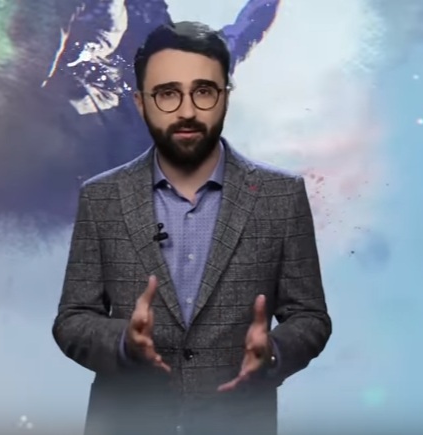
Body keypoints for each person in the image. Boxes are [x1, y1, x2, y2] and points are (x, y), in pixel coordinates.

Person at [52, 21, 332, 435]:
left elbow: (310, 317)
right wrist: (124, 342)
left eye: (203, 91)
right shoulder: (102, 197)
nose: (186, 111)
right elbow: (73, 319)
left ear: (225, 97)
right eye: (167, 93)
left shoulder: (281, 196)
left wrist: (273, 351)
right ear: (140, 103)